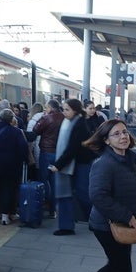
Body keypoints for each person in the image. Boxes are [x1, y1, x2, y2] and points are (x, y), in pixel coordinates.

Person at [68, 119, 136, 272]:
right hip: (106, 226)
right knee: (123, 271)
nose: (123, 136)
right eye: (116, 134)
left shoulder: (133, 160)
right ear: (106, 140)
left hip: (127, 225)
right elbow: (98, 196)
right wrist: (126, 215)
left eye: (124, 132)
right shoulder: (103, 164)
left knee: (115, 268)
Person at [48, 99, 97, 235]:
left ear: (75, 110)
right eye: (63, 109)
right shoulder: (68, 122)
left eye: (67, 109)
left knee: (83, 195)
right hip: (73, 163)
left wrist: (58, 165)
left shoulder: (80, 124)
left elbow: (73, 147)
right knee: (65, 195)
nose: (64, 112)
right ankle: (66, 226)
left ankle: (98, 220)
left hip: (82, 163)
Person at [0, 109, 29, 226]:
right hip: (11, 166)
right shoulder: (16, 132)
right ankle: (5, 216)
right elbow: (23, 149)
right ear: (12, 119)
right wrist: (25, 160)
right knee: (7, 189)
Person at [32, 99, 65, 218]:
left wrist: (42, 118)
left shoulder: (47, 118)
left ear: (51, 108)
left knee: (43, 180)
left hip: (46, 153)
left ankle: (43, 204)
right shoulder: (64, 118)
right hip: (58, 154)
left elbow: (36, 130)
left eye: (46, 107)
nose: (45, 110)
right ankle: (53, 209)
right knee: (54, 181)